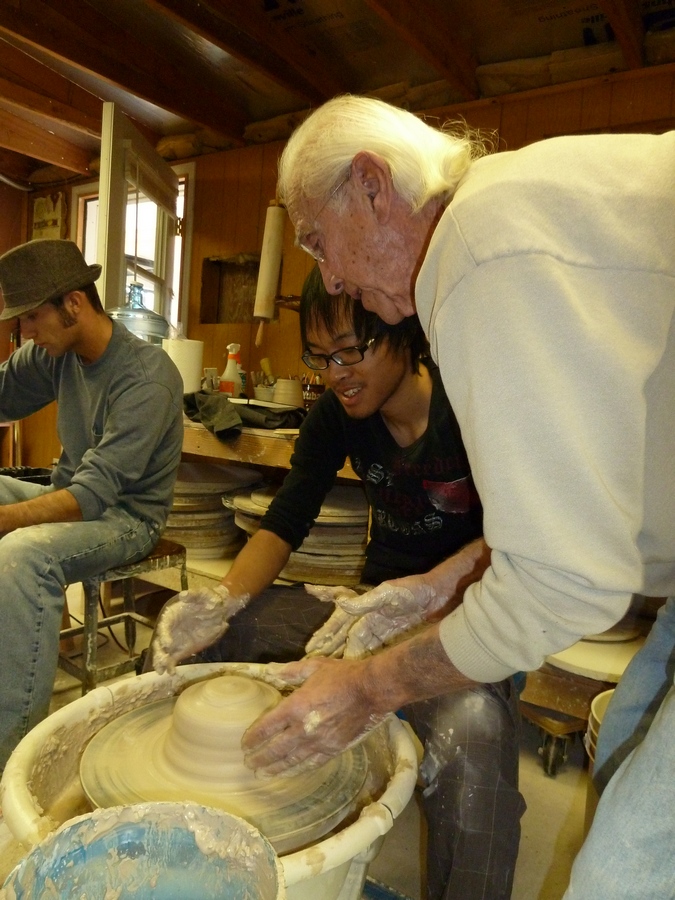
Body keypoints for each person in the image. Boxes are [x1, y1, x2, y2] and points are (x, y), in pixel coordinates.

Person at [235, 97, 675, 899]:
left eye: (315, 239)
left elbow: (566, 583)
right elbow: (579, 511)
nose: (329, 275)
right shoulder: (515, 212)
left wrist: (369, 688)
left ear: (372, 186)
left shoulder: (478, 247)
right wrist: (436, 586)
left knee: (622, 876)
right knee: (621, 759)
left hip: (559, 604)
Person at [150, 265, 525, 899]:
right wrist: (221, 601)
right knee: (201, 641)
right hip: (364, 617)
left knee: (474, 731)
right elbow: (285, 520)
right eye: (321, 357)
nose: (337, 373)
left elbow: (523, 542)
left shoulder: (476, 406)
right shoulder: (335, 415)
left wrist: (431, 594)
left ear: (406, 333)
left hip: (468, 621)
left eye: (354, 350)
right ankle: (180, 849)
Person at [0, 238, 184, 771]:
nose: (26, 332)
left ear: (74, 305)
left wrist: (8, 520)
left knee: (23, 554)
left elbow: (91, 495)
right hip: (77, 498)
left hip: (127, 516)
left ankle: (12, 759)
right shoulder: (58, 355)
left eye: (32, 318)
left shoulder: (147, 377)